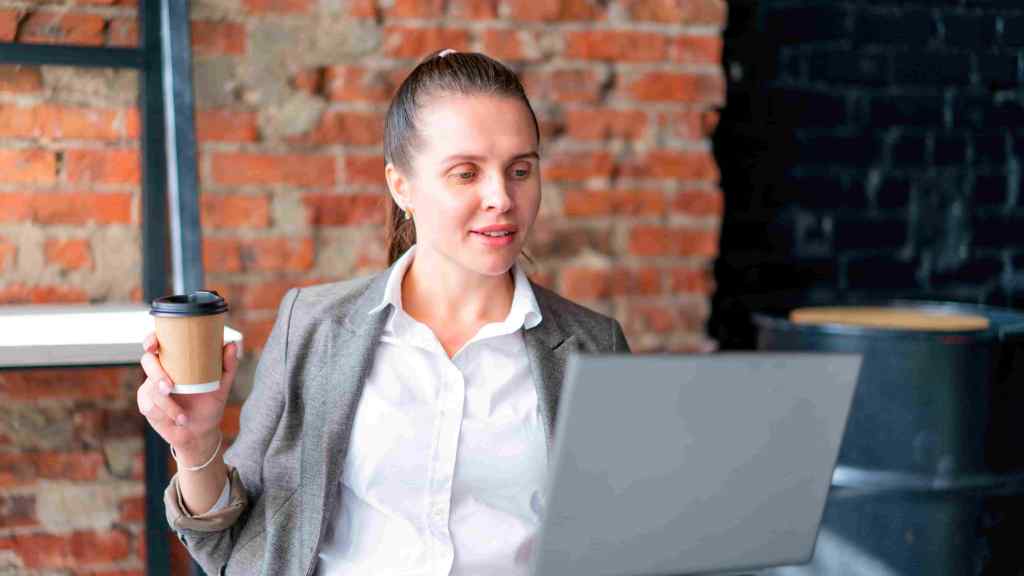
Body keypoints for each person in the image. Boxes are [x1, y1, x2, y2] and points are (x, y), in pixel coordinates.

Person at [138, 50, 630, 575]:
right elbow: (228, 544)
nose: (501, 198)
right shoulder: (313, 325)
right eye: (466, 173)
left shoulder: (593, 347)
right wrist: (196, 446)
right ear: (402, 187)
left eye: (520, 170)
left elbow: (627, 540)